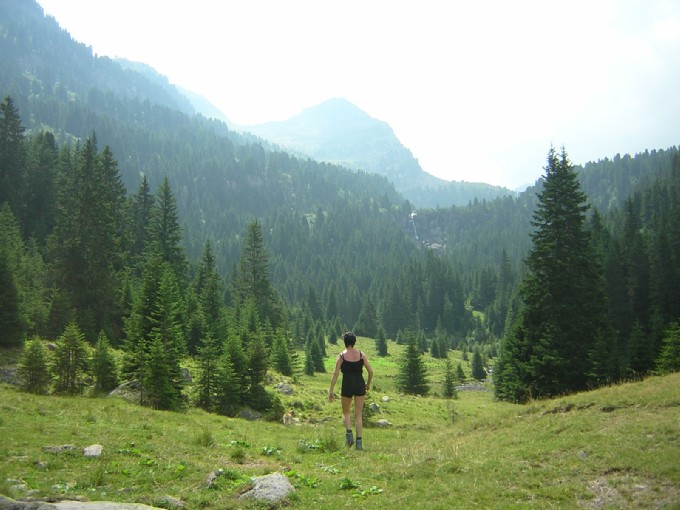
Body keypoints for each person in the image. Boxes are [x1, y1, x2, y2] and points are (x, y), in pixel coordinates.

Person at [328, 331, 374, 450]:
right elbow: (370, 371)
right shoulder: (361, 355)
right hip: (359, 384)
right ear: (354, 342)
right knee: (358, 415)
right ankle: (359, 444)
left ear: (345, 342)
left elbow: (336, 374)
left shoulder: (341, 356)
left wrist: (331, 390)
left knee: (346, 413)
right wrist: (367, 384)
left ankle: (349, 434)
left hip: (347, 384)